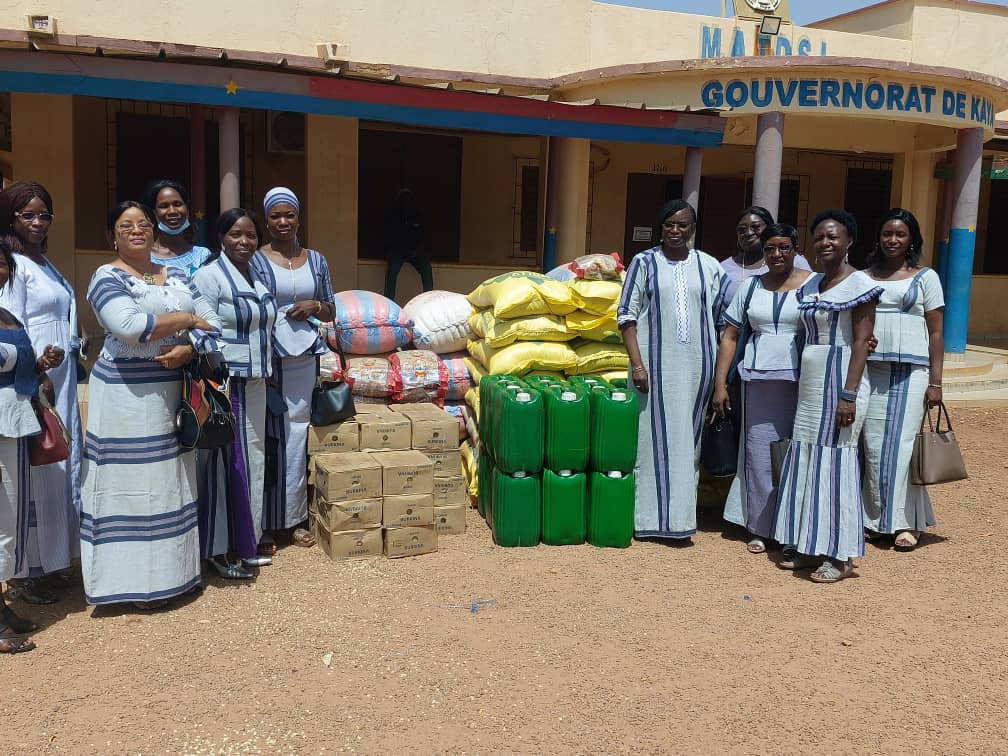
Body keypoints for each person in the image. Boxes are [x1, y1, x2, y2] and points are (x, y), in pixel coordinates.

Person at [81, 201, 220, 609]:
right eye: (127, 225)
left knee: (169, 482)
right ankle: (126, 585)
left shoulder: (175, 273)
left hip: (171, 391)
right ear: (113, 235)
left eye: (143, 223)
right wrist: (187, 321)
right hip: (125, 395)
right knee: (128, 486)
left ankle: (173, 577)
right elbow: (129, 328)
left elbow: (213, 322)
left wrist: (189, 346)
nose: (137, 230)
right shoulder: (105, 276)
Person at [772, 209, 883, 583]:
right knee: (807, 459)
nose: (825, 243)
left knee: (835, 463)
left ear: (849, 241)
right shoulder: (811, 285)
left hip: (841, 381)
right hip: (811, 383)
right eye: (819, 236)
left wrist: (849, 395)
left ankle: (839, 555)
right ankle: (808, 545)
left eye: (833, 236)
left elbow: (861, 342)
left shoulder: (861, 284)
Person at [617, 199, 728, 542]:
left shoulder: (709, 267)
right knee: (648, 443)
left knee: (686, 445)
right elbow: (626, 316)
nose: (675, 231)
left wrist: (720, 379)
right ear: (660, 228)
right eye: (669, 225)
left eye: (683, 225)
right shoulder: (644, 263)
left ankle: (679, 521)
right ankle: (647, 519)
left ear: (693, 229)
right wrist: (638, 364)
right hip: (652, 369)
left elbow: (724, 323)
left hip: (697, 370)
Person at [0, 181, 82, 605]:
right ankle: (28, 571)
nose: (36, 222)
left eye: (43, 214)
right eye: (26, 215)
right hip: (36, 379)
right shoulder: (12, 265)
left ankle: (55, 560)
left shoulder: (43, 262)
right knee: (38, 468)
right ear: (11, 217)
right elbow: (11, 325)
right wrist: (35, 373)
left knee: (60, 463)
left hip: (61, 376)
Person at [713, 224, 813, 554]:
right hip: (756, 383)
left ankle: (791, 529)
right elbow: (729, 336)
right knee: (757, 456)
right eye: (770, 248)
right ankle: (759, 525)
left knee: (795, 457)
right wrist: (720, 383)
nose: (776, 254)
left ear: (796, 249)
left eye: (784, 247)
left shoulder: (813, 285)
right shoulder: (751, 286)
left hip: (801, 384)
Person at [193, 209, 277, 578]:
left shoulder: (256, 275)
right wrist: (221, 373)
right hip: (230, 384)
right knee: (236, 462)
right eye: (236, 235)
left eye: (251, 236)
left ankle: (248, 536)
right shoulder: (209, 277)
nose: (244, 242)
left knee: (252, 458)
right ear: (221, 238)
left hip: (257, 380)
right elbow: (203, 327)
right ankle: (233, 547)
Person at [250, 187, 335, 551]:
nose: (283, 222)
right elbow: (250, 312)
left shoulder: (317, 260)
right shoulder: (255, 260)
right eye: (275, 216)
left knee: (298, 436)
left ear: (299, 217)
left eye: (289, 215)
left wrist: (314, 304)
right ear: (266, 220)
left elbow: (332, 309)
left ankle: (295, 519)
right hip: (269, 361)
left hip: (304, 360)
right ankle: (264, 523)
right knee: (268, 437)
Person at [862, 209, 944, 551]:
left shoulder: (926, 277)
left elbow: (937, 331)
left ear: (911, 239)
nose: (892, 240)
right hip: (871, 370)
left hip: (911, 372)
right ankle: (874, 519)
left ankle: (905, 523)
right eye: (886, 234)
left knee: (903, 447)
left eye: (900, 234)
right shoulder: (864, 277)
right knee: (872, 445)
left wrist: (936, 382)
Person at [0, 237, 63, 652]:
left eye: (1, 263)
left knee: (8, 516)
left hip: (14, 421)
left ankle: (1, 608)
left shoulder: (6, 313)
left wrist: (39, 363)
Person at [721, 206, 812, 304]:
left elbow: (810, 297)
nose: (748, 233)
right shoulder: (723, 268)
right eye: (742, 230)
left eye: (755, 227)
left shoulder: (792, 260)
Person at [142, 180, 212, 277]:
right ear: (154, 213)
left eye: (177, 204)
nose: (172, 211)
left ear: (187, 209)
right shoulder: (143, 257)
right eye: (164, 206)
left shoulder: (202, 256)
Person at [383, 187, 433, 301]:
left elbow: (423, 235)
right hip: (398, 251)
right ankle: (388, 302)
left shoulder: (417, 215)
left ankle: (430, 299)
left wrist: (416, 249)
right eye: (403, 199)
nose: (406, 202)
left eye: (409, 199)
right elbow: (389, 235)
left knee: (426, 268)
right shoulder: (393, 215)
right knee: (392, 271)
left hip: (415, 251)